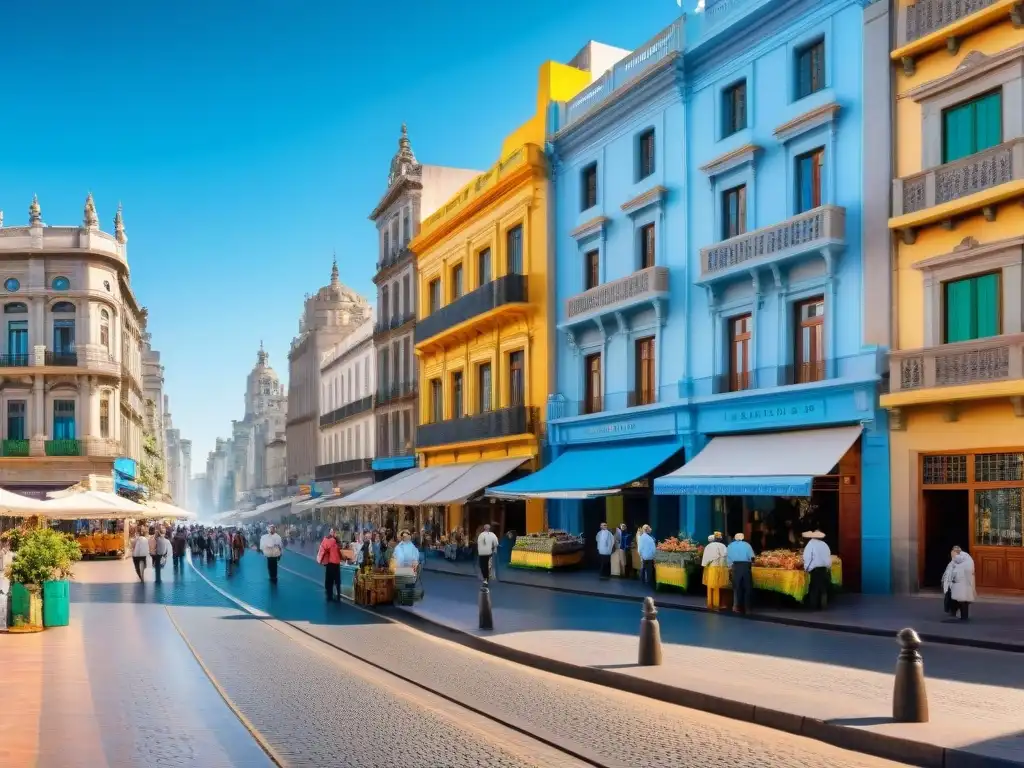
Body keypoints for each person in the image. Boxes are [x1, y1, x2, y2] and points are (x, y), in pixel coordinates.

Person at [942, 546, 976, 621]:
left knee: (962, 600)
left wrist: (951, 579)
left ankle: (963, 616)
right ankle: (962, 615)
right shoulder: (967, 559)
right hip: (965, 584)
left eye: (952, 554)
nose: (952, 556)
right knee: (962, 600)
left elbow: (955, 573)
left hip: (960, 584)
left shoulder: (958, 561)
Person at [802, 530, 832, 611]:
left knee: (814, 588)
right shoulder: (825, 545)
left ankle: (813, 606)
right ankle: (823, 605)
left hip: (815, 569)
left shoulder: (810, 544)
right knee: (823, 588)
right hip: (823, 569)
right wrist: (828, 567)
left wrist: (806, 568)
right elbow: (828, 557)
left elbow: (808, 557)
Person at [726, 532, 755, 614]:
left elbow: (727, 558)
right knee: (747, 588)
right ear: (743, 537)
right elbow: (752, 557)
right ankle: (748, 608)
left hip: (735, 567)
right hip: (746, 567)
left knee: (737, 588)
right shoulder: (747, 545)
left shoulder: (730, 546)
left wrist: (730, 567)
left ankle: (739, 607)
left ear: (734, 538)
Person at [701, 532, 729, 610]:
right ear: (720, 539)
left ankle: (710, 604)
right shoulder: (723, 546)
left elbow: (705, 558)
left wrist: (705, 565)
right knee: (717, 585)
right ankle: (716, 604)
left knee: (710, 586)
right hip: (719, 567)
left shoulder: (708, 546)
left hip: (710, 568)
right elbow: (725, 556)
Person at [317, 528, 342, 601]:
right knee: (332, 580)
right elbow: (324, 549)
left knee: (334, 580)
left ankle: (334, 596)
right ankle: (331, 596)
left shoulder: (334, 540)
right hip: (330, 563)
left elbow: (324, 548)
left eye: (333, 532)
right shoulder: (332, 540)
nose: (333, 533)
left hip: (334, 563)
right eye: (332, 532)